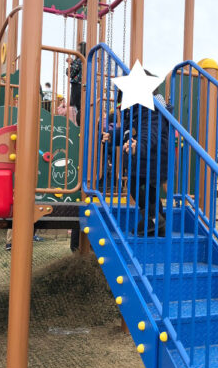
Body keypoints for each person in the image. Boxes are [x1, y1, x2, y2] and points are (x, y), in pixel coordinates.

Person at [102, 91, 171, 237]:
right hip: (143, 159)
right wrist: (112, 136)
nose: (122, 106)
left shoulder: (151, 111)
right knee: (150, 192)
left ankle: (154, 220)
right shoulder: (133, 112)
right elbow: (128, 131)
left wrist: (138, 145)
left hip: (152, 158)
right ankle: (158, 224)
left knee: (136, 186)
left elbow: (149, 133)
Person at [68, 42, 86, 126]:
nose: (76, 51)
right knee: (81, 107)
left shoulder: (79, 60)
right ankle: (80, 125)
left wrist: (69, 64)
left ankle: (75, 125)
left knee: (74, 106)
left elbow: (70, 73)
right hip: (83, 86)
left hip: (76, 86)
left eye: (78, 50)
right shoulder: (86, 60)